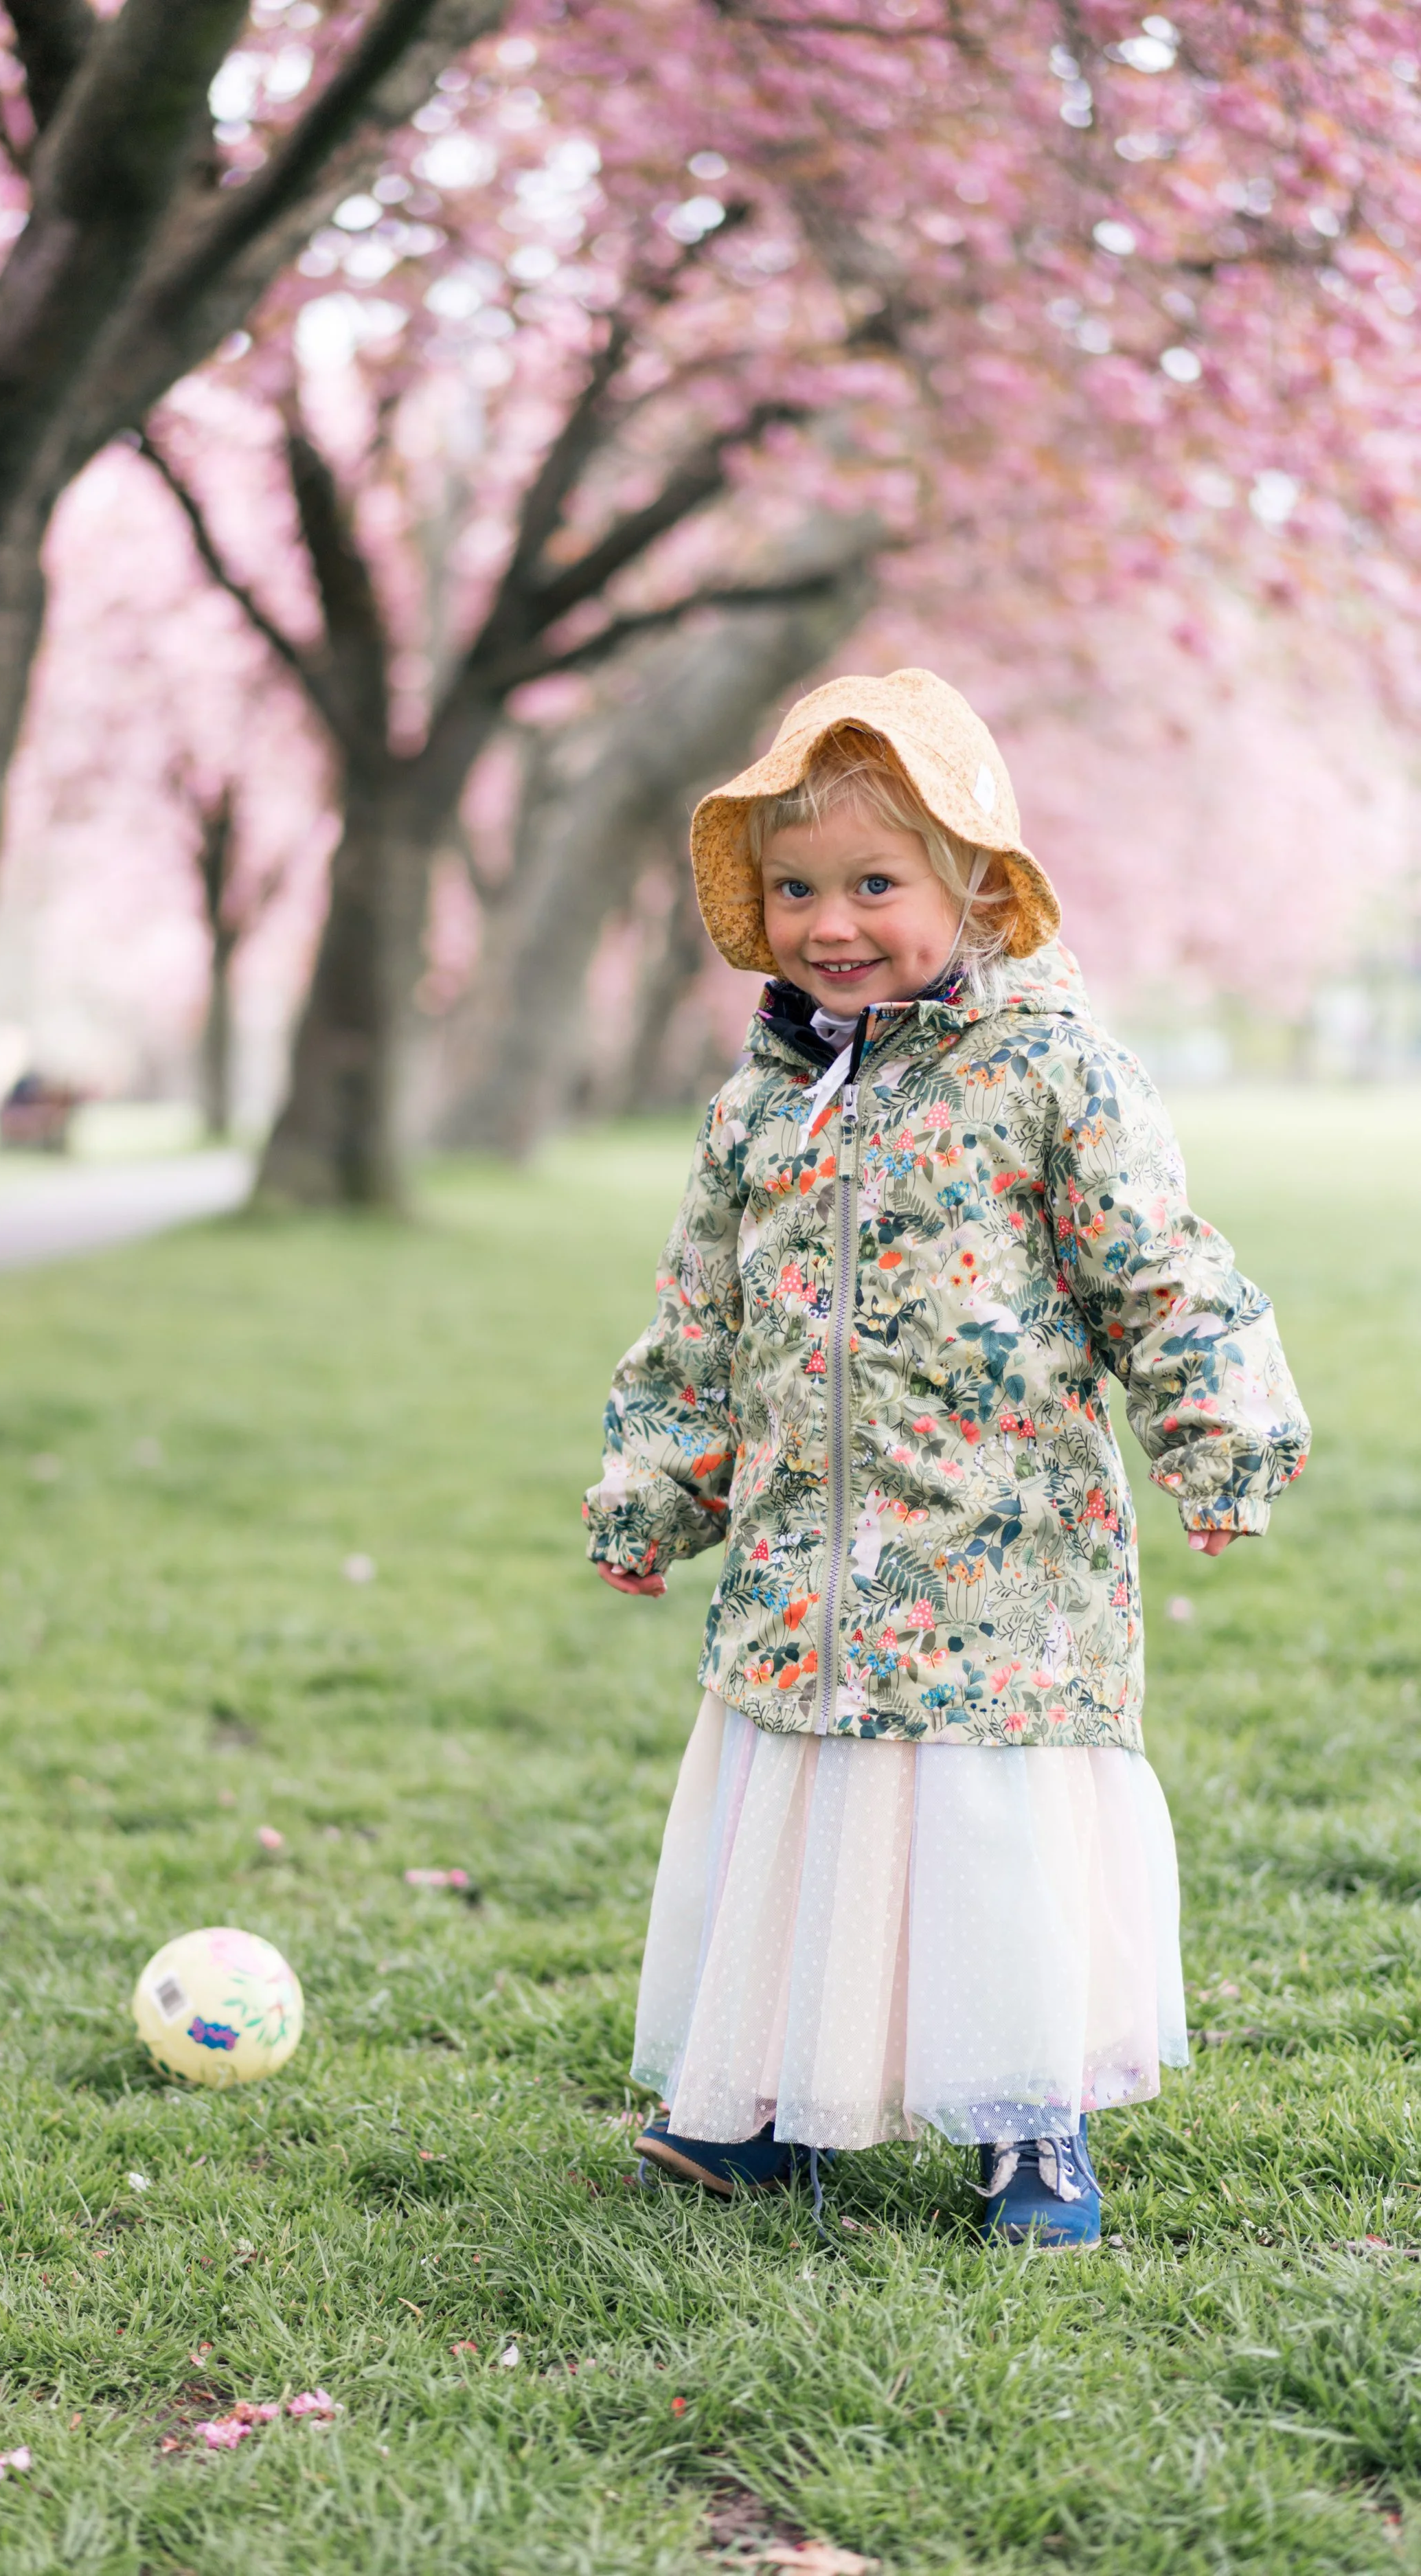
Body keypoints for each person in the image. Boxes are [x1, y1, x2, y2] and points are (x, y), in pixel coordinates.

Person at [583, 669, 1309, 2248]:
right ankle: (770, 2108)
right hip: (802, 1557)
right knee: (802, 1824)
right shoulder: (759, 1109)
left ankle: (1026, 2123)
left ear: (973, 887)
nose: (829, 922)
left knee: (982, 1848)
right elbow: (696, 1321)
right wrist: (656, 1483)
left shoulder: (1050, 1071)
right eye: (794, 889)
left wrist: (1216, 1434)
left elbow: (1157, 1269)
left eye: (873, 883)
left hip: (998, 1556)